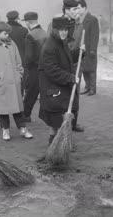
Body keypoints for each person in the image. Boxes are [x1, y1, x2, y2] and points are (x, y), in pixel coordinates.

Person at [0, 22, 33, 141]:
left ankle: (23, 129)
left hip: (14, 83)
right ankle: (5, 130)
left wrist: (19, 75)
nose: (8, 35)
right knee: (3, 110)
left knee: (18, 109)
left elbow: (18, 60)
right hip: (0, 84)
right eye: (5, 33)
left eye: (8, 33)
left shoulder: (11, 43)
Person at [39, 17, 81, 145]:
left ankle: (60, 145)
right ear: (54, 30)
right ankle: (54, 145)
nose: (64, 33)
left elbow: (65, 59)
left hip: (60, 88)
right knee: (55, 121)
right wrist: (70, 78)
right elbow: (52, 70)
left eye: (66, 30)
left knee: (59, 120)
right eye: (61, 30)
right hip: (53, 89)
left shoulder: (60, 43)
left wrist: (80, 53)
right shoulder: (49, 47)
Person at [48, 0, 84, 132]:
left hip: (75, 65)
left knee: (75, 96)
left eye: (78, 8)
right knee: (63, 97)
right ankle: (63, 129)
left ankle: (73, 124)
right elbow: (51, 45)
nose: (77, 11)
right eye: (74, 9)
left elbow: (78, 42)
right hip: (62, 66)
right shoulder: (55, 23)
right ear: (66, 10)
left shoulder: (78, 24)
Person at [22, 12, 47, 122]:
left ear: (28, 22)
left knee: (31, 94)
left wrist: (26, 68)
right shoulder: (45, 33)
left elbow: (29, 57)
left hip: (34, 69)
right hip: (46, 69)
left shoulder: (30, 35)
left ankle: (25, 115)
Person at [77, 0, 99, 96]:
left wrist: (93, 49)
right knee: (84, 69)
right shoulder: (79, 19)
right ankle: (87, 87)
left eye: (79, 8)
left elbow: (95, 35)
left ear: (84, 8)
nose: (77, 10)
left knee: (91, 70)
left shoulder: (92, 19)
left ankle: (92, 89)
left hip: (90, 49)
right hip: (82, 49)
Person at [7, 10, 29, 95]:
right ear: (17, 19)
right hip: (21, 60)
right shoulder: (24, 30)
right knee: (21, 81)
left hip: (7, 60)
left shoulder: (4, 31)